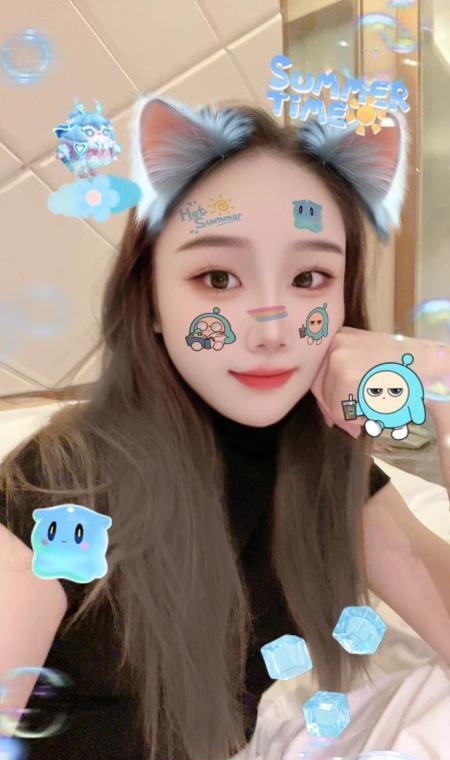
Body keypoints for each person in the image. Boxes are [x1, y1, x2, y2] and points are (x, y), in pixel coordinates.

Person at [1, 95, 449, 760]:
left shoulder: (321, 462)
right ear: (151, 299)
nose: (272, 329)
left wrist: (437, 382)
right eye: (217, 277)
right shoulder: (59, 491)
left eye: (309, 276)